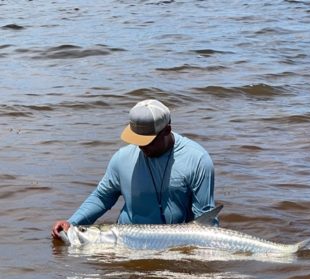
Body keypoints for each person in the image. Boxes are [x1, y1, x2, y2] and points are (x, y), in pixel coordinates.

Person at [52, 99, 217, 239]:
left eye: (148, 141)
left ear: (167, 130)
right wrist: (72, 222)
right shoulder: (121, 158)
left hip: (174, 242)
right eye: (137, 140)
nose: (142, 147)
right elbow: (102, 197)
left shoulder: (197, 160)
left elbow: (205, 219)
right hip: (126, 239)